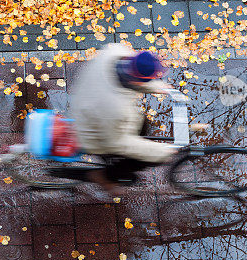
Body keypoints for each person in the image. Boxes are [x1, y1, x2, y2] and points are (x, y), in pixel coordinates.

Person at [69, 44, 177, 196]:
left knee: (141, 127)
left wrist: (154, 86)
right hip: (94, 135)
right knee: (140, 159)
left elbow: (129, 80)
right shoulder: (115, 108)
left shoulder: (116, 52)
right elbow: (117, 143)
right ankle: (105, 177)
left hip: (89, 103)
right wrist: (160, 152)